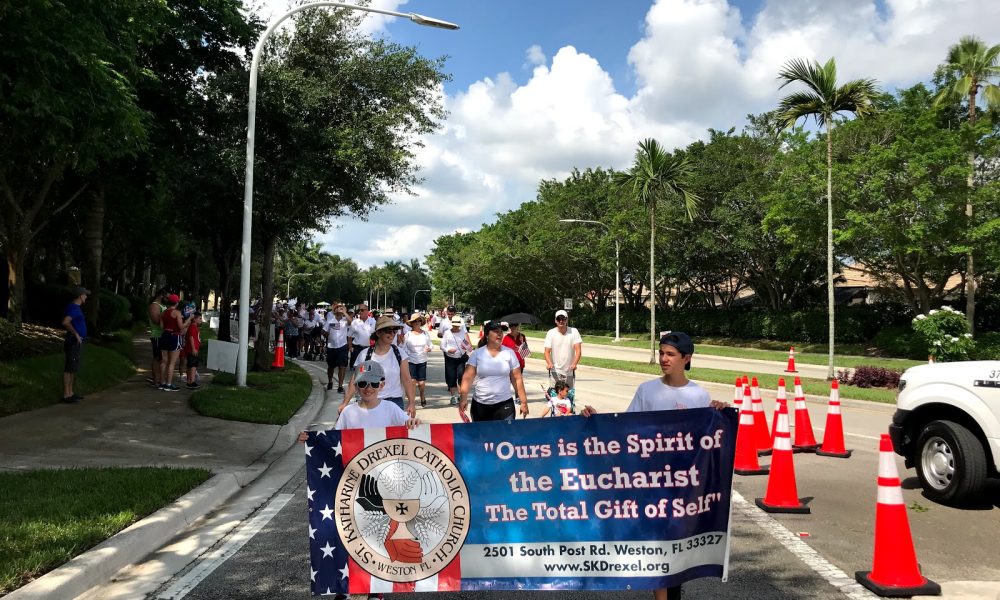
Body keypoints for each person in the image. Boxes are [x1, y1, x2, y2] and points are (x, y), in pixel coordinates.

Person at [581, 331, 728, 600]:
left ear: (687, 358)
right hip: (650, 483)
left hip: (684, 488)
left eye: (670, 354)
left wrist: (719, 413)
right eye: (661, 353)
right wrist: (595, 420)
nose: (663, 359)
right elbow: (624, 430)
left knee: (675, 549)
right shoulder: (647, 390)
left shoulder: (698, 395)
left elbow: (709, 444)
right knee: (659, 547)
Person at [341, 316, 416, 417]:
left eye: (394, 331)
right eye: (388, 331)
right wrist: (345, 403)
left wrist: (411, 403)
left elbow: (407, 380)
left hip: (394, 402)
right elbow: (355, 380)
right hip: (369, 402)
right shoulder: (365, 354)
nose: (392, 334)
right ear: (378, 333)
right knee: (369, 433)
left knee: (394, 433)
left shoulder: (400, 354)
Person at [459, 320, 529, 422]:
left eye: (501, 332)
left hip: (504, 404)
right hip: (480, 405)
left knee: (505, 437)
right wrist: (463, 398)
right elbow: (467, 378)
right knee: (483, 437)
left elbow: (517, 379)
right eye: (496, 331)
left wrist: (524, 402)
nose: (499, 334)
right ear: (487, 334)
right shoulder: (477, 354)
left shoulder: (509, 353)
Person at [61, 286, 90, 403]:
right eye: (85, 295)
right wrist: (76, 334)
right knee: (69, 368)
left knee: (73, 368)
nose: (86, 297)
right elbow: (65, 322)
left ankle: (71, 393)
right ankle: (66, 395)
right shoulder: (74, 308)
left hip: (76, 341)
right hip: (73, 341)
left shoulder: (76, 307)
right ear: (80, 296)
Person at [159, 294, 193, 392]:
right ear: (177, 303)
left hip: (164, 335)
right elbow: (181, 326)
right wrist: (189, 319)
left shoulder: (163, 313)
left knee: (164, 361)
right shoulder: (177, 313)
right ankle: (169, 384)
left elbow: (161, 327)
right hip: (174, 336)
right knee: (172, 363)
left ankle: (162, 383)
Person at [543, 309, 582, 389]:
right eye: (558, 319)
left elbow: (578, 351)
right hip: (555, 371)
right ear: (555, 320)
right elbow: (547, 352)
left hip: (569, 371)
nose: (561, 321)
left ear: (567, 320)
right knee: (555, 397)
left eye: (563, 319)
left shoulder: (574, 332)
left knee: (569, 396)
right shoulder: (551, 333)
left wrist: (574, 364)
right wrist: (549, 363)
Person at [402, 313, 433, 407]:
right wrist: (407, 355)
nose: (417, 323)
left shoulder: (425, 334)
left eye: (419, 321)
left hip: (422, 360)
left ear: (421, 322)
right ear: (411, 323)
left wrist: (429, 348)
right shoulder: (407, 335)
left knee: (421, 383)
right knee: (412, 382)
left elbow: (431, 344)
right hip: (411, 360)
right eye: (415, 321)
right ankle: (412, 401)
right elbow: (403, 348)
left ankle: (422, 395)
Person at [440, 315, 471, 405]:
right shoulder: (447, 333)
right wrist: (448, 350)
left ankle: (461, 396)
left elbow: (468, 346)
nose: (456, 327)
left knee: (461, 376)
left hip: (461, 357)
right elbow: (442, 346)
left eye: (458, 325)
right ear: (452, 324)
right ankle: (453, 396)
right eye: (454, 325)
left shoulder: (463, 332)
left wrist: (465, 346)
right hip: (450, 358)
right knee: (452, 378)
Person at [147, 287, 170, 387]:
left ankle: (159, 379)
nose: (168, 300)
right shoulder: (154, 306)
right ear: (161, 296)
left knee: (162, 358)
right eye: (167, 297)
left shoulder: (162, 305)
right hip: (157, 335)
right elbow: (156, 320)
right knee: (157, 357)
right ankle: (156, 380)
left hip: (163, 335)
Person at [324, 303, 350, 392]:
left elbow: (351, 322)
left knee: (342, 366)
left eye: (341, 308)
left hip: (342, 346)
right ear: (334, 310)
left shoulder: (345, 320)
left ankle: (340, 386)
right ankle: (330, 381)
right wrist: (326, 333)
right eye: (338, 308)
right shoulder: (330, 321)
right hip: (331, 347)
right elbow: (323, 331)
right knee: (331, 366)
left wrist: (345, 313)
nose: (339, 309)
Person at [180, 312, 203, 389]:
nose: (201, 320)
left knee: (190, 365)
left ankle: (189, 381)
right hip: (192, 350)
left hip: (191, 349)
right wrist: (193, 348)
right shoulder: (193, 327)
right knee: (193, 365)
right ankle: (192, 381)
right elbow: (191, 337)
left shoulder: (193, 326)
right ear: (195, 319)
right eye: (200, 318)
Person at [348, 305, 373, 371]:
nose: (360, 312)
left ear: (367, 311)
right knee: (357, 369)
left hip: (368, 348)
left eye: (362, 310)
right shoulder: (355, 322)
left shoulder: (373, 321)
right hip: (357, 348)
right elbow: (349, 335)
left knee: (367, 368)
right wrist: (350, 347)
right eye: (359, 310)